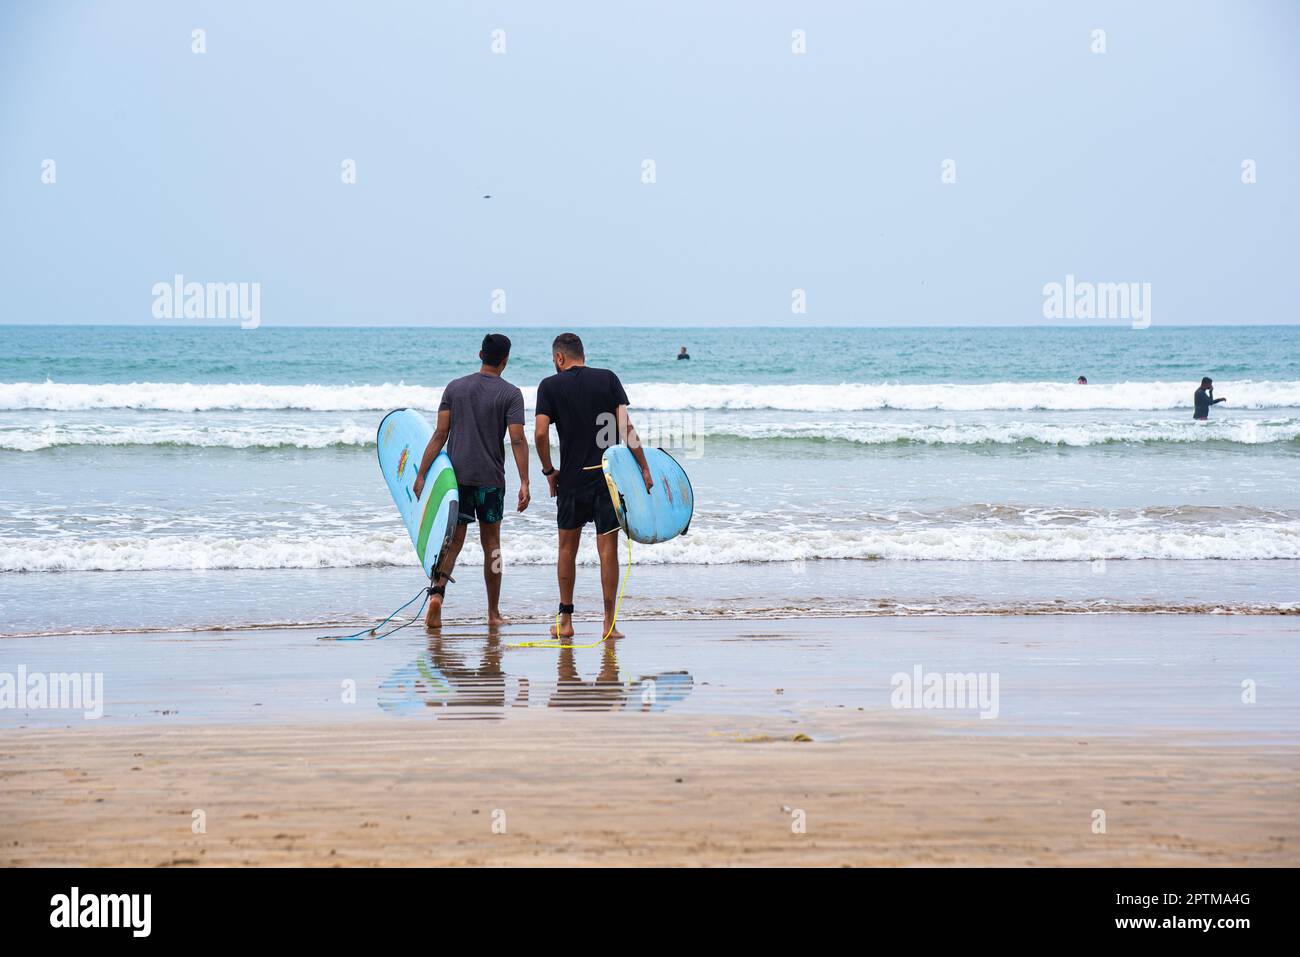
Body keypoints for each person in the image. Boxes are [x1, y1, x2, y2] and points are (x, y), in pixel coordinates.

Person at [534, 333, 652, 639]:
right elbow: (626, 427)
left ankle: (566, 621)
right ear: (581, 354)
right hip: (605, 479)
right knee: (607, 549)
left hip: (571, 480)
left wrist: (549, 470)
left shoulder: (549, 386)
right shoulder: (608, 379)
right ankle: (609, 623)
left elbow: (540, 434)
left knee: (566, 548)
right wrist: (643, 465)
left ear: (559, 358)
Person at [411, 333, 530, 628]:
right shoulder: (511, 394)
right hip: (491, 481)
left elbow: (440, 435)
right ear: (505, 360)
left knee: (453, 542)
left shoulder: (455, 388)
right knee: (492, 546)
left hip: (457, 479)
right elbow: (517, 439)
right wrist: (525, 481)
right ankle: (493, 613)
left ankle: (437, 596)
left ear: (480, 355)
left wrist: (422, 473)